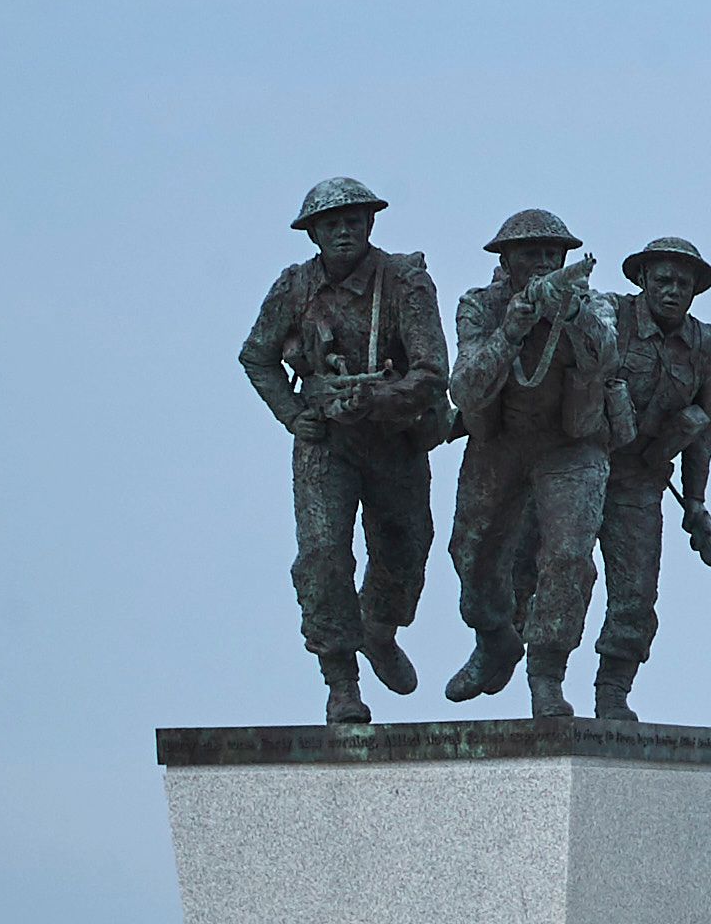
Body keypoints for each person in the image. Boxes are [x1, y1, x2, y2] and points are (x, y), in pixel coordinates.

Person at [233, 176, 450, 728]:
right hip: (327, 444)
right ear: (313, 234)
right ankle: (340, 682)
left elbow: (432, 373)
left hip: (394, 440)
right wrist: (294, 414)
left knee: (405, 547)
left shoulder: (405, 282)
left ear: (371, 224)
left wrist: (377, 396)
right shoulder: (294, 288)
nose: (344, 231)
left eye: (354, 220)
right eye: (331, 223)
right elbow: (256, 356)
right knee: (322, 555)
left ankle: (379, 625)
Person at [440, 208, 624, 721]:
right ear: (506, 261)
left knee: (568, 557)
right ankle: (495, 637)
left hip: (572, 444)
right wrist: (511, 333)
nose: (544, 262)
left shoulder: (596, 303)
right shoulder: (479, 306)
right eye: (531, 254)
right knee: (471, 551)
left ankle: (547, 672)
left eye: (552, 253)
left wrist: (573, 316)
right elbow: (464, 387)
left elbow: (607, 357)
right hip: (500, 443)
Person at [589, 237, 711, 725]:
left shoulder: (704, 344)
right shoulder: (609, 316)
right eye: (663, 280)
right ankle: (547, 681)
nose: (672, 291)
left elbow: (704, 426)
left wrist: (695, 501)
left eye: (683, 284)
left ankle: (612, 692)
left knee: (636, 592)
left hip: (640, 482)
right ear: (643, 280)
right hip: (582, 466)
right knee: (556, 575)